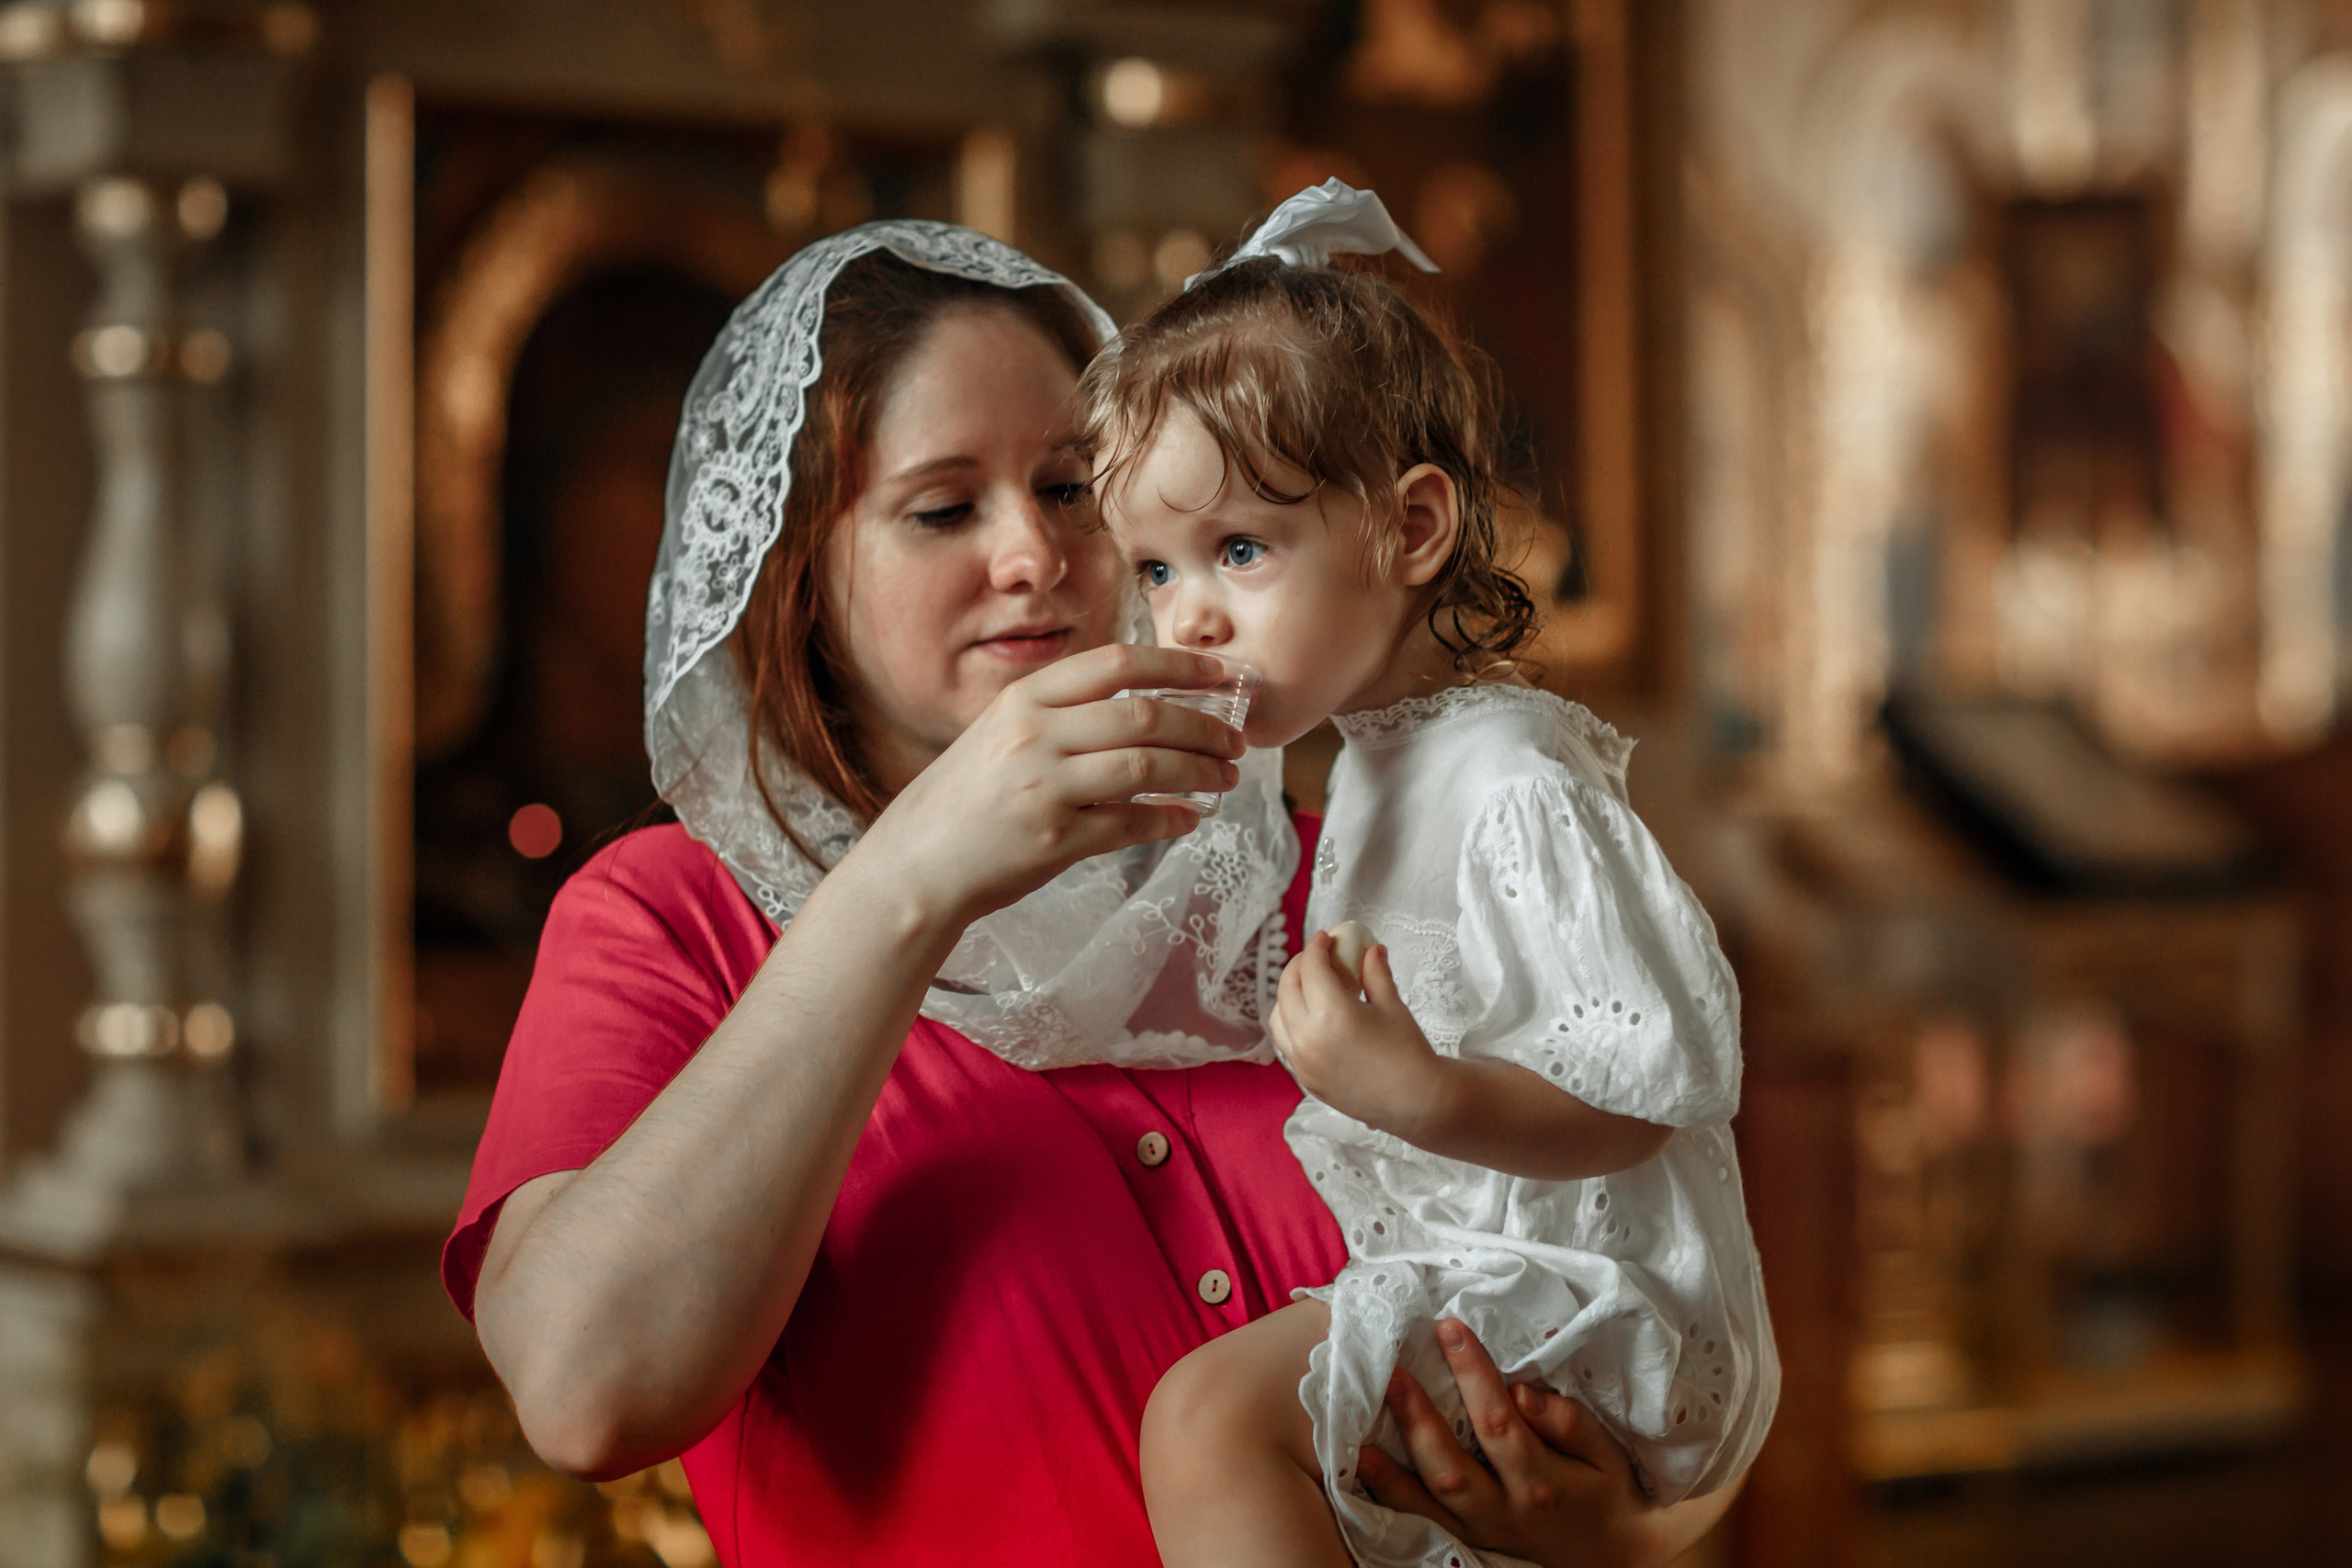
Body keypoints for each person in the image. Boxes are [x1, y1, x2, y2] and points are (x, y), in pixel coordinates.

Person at [447, 218, 1737, 1566]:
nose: (1037, 558)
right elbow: (587, 1394)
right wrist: (918, 873)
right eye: (944, 508)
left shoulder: (1355, 867)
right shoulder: (669, 920)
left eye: (1073, 490)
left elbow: (1644, 1266)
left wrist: (1614, 1534)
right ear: (802, 572)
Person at [1080, 183, 1778, 1568]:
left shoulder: (1513, 776)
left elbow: (1653, 1086)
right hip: (1484, 1270)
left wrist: (1423, 1093)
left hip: (1595, 1296)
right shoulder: (1370, 768)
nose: (1188, 612)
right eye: (1155, 569)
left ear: (1409, 531)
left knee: (1208, 1425)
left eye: (1238, 550)